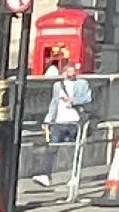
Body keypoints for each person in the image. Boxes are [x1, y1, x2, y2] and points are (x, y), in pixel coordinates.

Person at [39, 51, 90, 186]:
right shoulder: (57, 86)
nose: (70, 74)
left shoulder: (82, 84)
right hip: (59, 121)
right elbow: (54, 103)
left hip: (74, 121)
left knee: (75, 150)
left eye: (72, 71)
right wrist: (47, 120)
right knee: (52, 148)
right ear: (63, 72)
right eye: (68, 71)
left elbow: (88, 99)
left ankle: (75, 176)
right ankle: (45, 175)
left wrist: (74, 100)